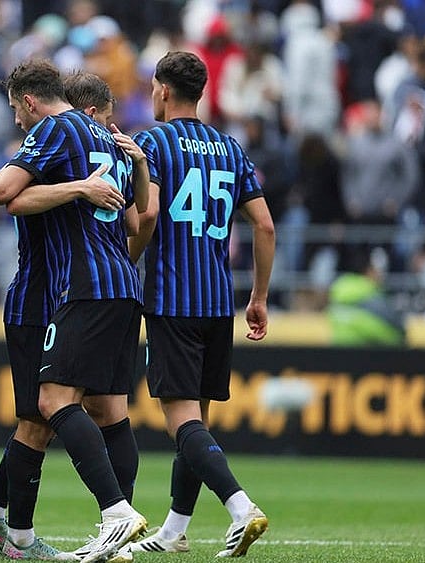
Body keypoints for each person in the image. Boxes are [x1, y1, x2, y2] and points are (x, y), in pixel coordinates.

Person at [0, 70, 149, 562]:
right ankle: (9, 522)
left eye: (14, 110)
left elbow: (1, 191)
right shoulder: (108, 141)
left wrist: (75, 189)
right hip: (111, 288)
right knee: (88, 412)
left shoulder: (54, 130)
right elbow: (139, 220)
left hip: (64, 291)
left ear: (28, 102)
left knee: (44, 410)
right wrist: (88, 187)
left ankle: (101, 517)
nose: (16, 120)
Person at [120, 51, 275, 559]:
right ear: (202, 92)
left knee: (180, 419)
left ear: (162, 90)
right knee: (197, 422)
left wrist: (125, 264)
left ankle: (240, 507)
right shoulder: (229, 147)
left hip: (171, 297)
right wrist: (258, 297)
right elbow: (265, 226)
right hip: (217, 300)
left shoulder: (153, 142)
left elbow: (147, 215)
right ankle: (174, 531)